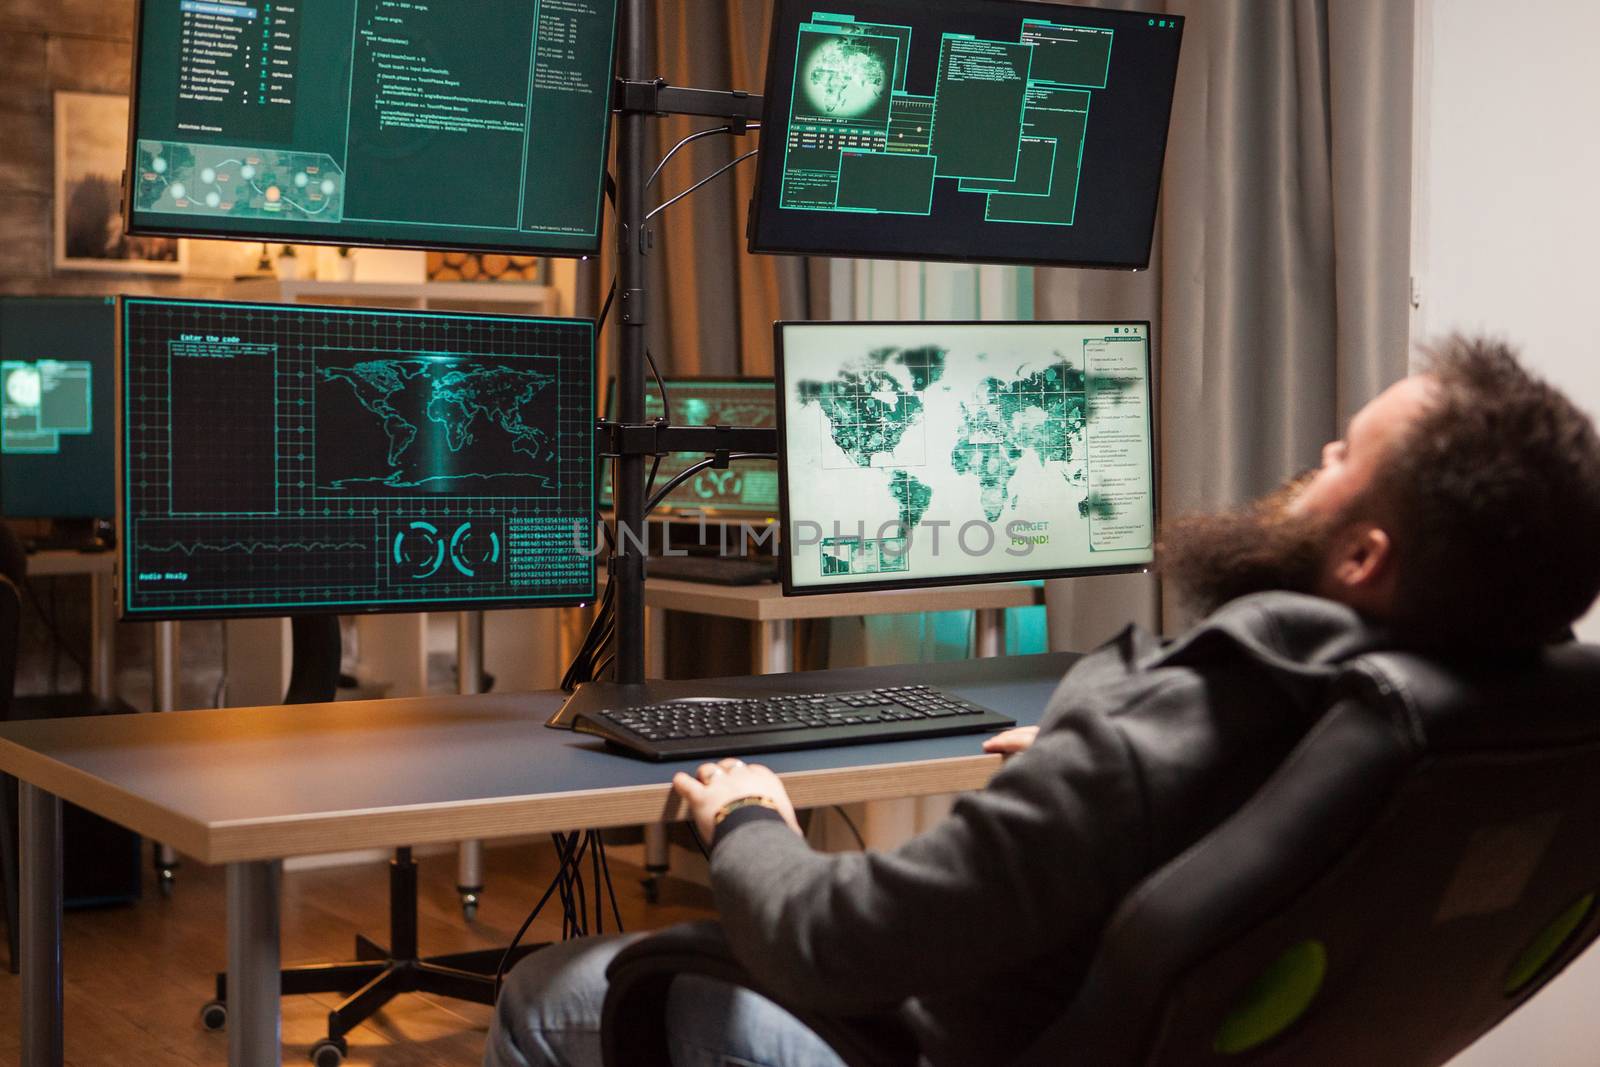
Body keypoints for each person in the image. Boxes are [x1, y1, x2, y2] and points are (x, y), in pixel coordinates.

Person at [486, 337, 1600, 1067]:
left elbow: (832, 942)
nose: (1313, 456)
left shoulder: (1165, 730)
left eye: (1343, 454)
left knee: (546, 989)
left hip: (951, 1043)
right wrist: (1092, 765)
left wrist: (748, 816)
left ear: (1362, 554)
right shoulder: (1488, 718)